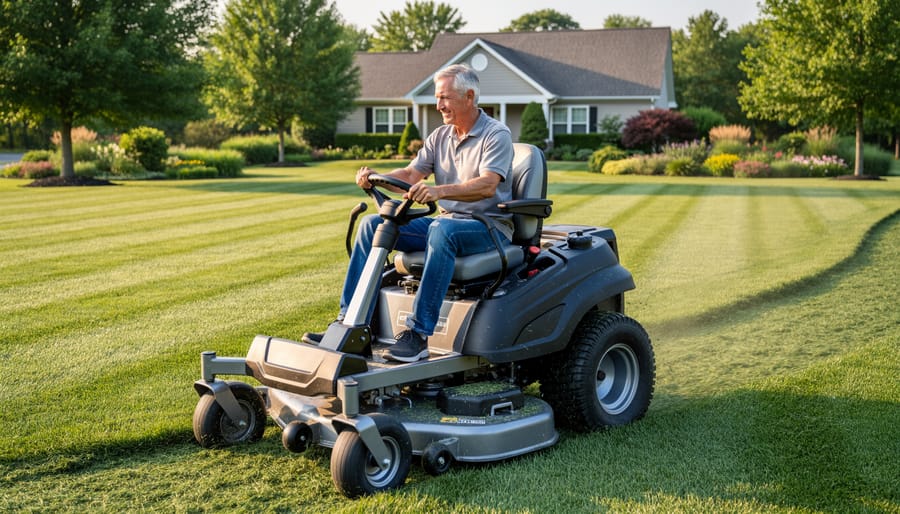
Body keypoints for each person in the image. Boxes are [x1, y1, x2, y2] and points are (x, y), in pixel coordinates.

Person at [305, 63, 515, 362]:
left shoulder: (496, 134)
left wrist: (439, 191)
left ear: (469, 97)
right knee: (371, 224)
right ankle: (349, 323)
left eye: (445, 97)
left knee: (443, 230)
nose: (439, 104)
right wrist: (377, 176)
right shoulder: (440, 136)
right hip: (448, 223)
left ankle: (417, 335)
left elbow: (487, 185)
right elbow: (410, 173)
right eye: (437, 97)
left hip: (488, 228)